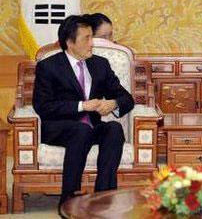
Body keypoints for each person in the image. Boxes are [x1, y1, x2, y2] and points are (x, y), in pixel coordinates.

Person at [32, 15, 134, 215]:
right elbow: (43, 106)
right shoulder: (49, 66)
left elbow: (126, 98)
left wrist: (112, 103)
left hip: (90, 127)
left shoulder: (100, 64)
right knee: (81, 131)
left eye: (91, 37)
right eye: (86, 38)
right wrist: (81, 106)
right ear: (70, 43)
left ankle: (103, 195)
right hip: (60, 128)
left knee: (113, 128)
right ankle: (69, 196)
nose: (92, 43)